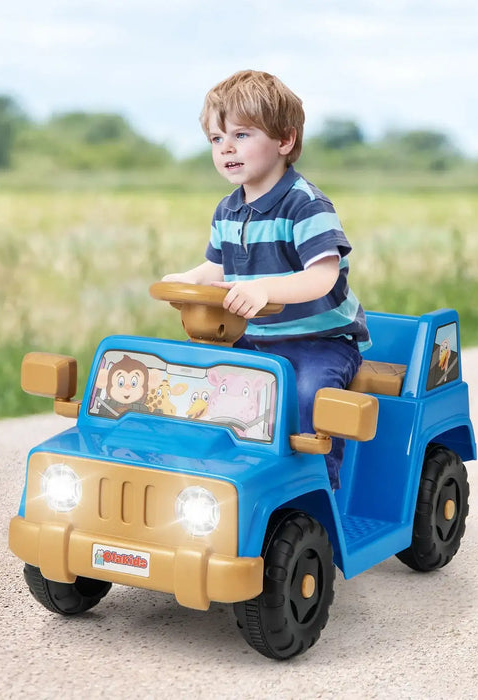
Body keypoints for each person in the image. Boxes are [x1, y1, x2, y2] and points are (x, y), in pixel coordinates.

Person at [162, 69, 370, 489]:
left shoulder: (305, 205)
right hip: (253, 336)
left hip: (319, 343)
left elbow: (323, 277)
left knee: (308, 393)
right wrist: (187, 279)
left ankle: (317, 487)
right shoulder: (227, 209)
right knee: (192, 371)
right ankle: (208, 470)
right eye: (216, 140)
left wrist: (264, 289)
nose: (226, 149)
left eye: (241, 135)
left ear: (284, 141)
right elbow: (217, 267)